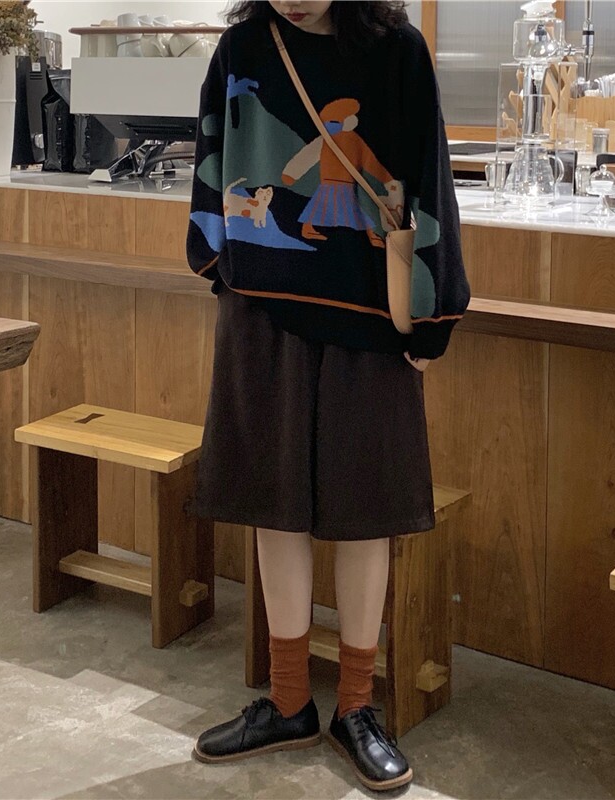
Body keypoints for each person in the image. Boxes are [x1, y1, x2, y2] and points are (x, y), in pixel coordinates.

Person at [185, 0, 470, 791]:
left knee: (364, 511)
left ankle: (354, 707)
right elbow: (211, 158)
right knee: (273, 504)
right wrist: (220, 265)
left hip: (369, 318)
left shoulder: (396, 50)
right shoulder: (242, 47)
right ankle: (287, 702)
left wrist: (432, 317)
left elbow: (429, 179)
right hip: (261, 312)